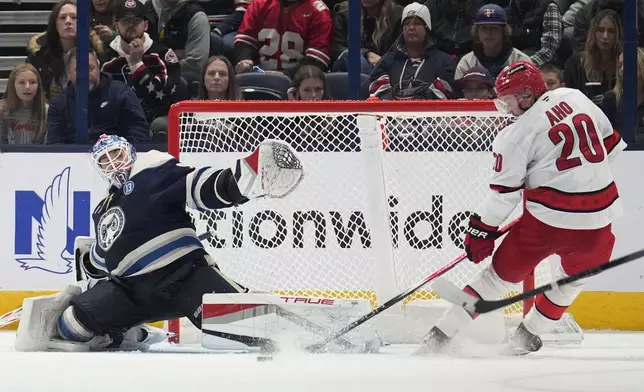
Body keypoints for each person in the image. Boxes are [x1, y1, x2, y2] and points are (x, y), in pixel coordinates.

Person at [16, 134, 304, 351]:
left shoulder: (152, 171)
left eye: (116, 153)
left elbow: (196, 186)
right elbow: (101, 260)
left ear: (129, 152)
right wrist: (84, 276)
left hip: (183, 276)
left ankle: (307, 327)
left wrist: (239, 181)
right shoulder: (102, 209)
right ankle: (127, 333)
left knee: (248, 327)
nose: (113, 162)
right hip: (129, 291)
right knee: (73, 324)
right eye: (105, 159)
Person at [416, 61, 625, 355]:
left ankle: (438, 338)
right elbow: (611, 150)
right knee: (572, 281)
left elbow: (504, 197)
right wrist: (574, 186)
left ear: (527, 94)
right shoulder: (576, 97)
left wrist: (481, 230)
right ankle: (529, 335)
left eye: (508, 99)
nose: (504, 106)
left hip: (546, 227)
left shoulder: (516, 135)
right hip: (599, 223)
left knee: (494, 281)